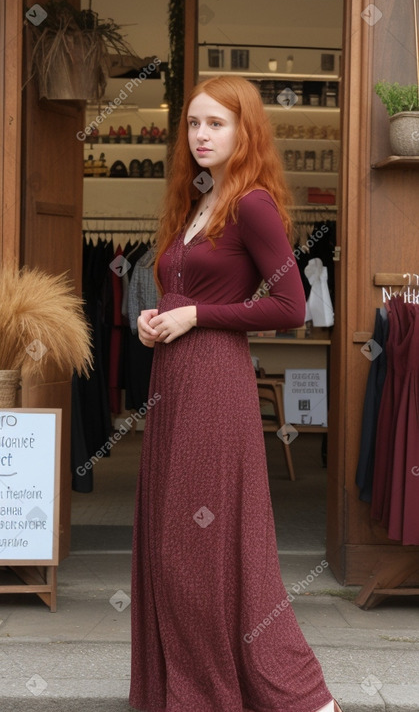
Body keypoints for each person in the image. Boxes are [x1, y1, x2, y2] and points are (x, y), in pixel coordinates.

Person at [130, 75, 342, 712]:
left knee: (198, 551)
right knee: (174, 548)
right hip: (173, 386)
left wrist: (197, 316)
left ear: (244, 129)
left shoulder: (250, 204)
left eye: (216, 124)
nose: (200, 135)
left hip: (215, 389)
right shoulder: (197, 200)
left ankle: (279, 693)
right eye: (193, 123)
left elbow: (290, 304)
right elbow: (182, 291)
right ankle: (184, 687)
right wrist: (154, 322)